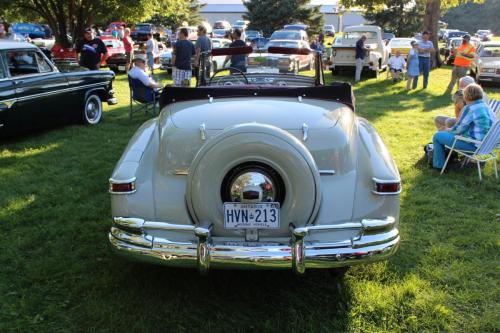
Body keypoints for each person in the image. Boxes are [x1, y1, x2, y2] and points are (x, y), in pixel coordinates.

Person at [431, 84, 496, 170]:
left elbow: (458, 130)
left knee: (437, 136)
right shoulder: (486, 106)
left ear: (466, 96)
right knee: (445, 133)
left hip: (474, 146)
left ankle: (439, 166)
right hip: (487, 146)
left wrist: (446, 130)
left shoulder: (470, 108)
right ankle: (450, 157)